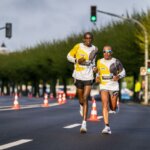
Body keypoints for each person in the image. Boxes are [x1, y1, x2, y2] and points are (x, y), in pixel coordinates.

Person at [67, 32, 98, 133]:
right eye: (86, 38)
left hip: (89, 76)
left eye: (90, 38)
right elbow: (68, 56)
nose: (88, 40)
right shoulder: (78, 46)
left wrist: (95, 70)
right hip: (78, 75)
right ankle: (81, 105)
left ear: (92, 39)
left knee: (85, 98)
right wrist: (76, 60)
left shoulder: (95, 49)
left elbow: (93, 62)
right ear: (83, 39)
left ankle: (84, 123)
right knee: (81, 99)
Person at [96, 45, 126, 134]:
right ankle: (107, 126)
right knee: (105, 104)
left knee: (112, 108)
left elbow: (123, 72)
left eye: (108, 51)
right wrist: (97, 77)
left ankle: (115, 106)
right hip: (103, 85)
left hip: (113, 86)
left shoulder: (116, 62)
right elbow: (98, 72)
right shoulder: (99, 61)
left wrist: (119, 76)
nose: (106, 53)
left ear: (111, 53)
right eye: (104, 51)